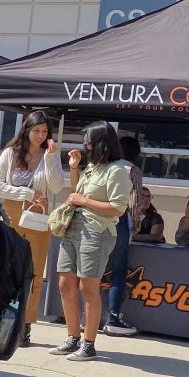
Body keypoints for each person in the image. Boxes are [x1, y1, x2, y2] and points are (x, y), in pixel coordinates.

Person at [50, 122, 130, 362]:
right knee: (65, 282)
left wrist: (84, 201)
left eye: (89, 141)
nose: (86, 145)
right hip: (74, 227)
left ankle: (89, 342)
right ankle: (72, 337)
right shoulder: (93, 167)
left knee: (88, 287)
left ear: (102, 143)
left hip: (96, 231)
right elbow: (77, 194)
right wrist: (74, 169)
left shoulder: (116, 170)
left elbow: (118, 208)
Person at [0, 111, 65, 346]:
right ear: (26, 130)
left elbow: (57, 186)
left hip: (39, 220)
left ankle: (26, 325)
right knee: (4, 269)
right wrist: (27, 193)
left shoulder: (49, 156)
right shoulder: (10, 154)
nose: (40, 135)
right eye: (36, 130)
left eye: (44, 131)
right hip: (11, 217)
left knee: (34, 274)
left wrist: (51, 159)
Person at [101, 135, 147, 338]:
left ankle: (87, 318)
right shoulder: (132, 170)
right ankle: (113, 318)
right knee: (119, 271)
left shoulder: (105, 165)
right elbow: (135, 200)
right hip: (119, 220)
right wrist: (136, 223)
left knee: (93, 271)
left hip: (97, 218)